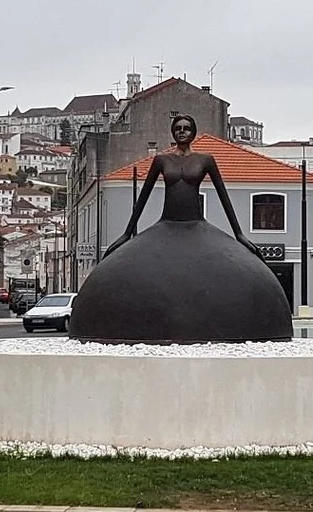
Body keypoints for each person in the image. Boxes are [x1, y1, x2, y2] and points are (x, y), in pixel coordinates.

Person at [72, 114, 293, 344]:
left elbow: (223, 196)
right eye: (178, 128)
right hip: (167, 221)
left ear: (193, 132)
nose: (182, 131)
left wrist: (239, 235)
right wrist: (127, 234)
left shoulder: (205, 160)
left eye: (187, 128)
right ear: (172, 132)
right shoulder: (161, 161)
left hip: (195, 222)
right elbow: (143, 197)